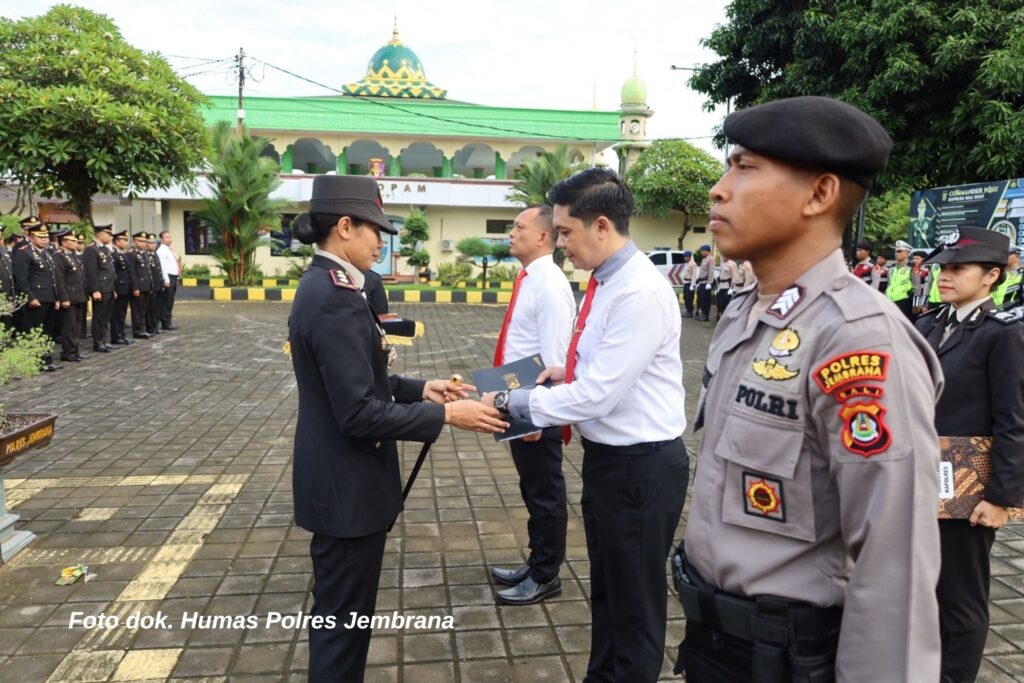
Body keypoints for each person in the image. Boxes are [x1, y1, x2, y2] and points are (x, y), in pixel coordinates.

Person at [676, 96, 943, 682]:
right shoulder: (745, 312)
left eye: (744, 167)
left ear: (819, 194)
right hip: (714, 643)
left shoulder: (858, 338)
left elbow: (895, 558)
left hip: (788, 657)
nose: (719, 189)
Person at [287, 175, 508, 682]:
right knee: (342, 627)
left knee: (342, 618)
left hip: (339, 486)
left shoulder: (330, 284)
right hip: (347, 492)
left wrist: (421, 388)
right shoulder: (335, 295)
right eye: (375, 232)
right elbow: (358, 413)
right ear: (345, 227)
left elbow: (360, 379)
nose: (381, 244)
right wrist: (447, 415)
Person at [483, 167, 688, 682]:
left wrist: (514, 403)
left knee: (634, 606)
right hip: (610, 464)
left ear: (601, 226)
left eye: (566, 233)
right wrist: (561, 372)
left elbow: (598, 394)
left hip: (640, 469)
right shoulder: (606, 282)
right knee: (609, 594)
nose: (561, 244)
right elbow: (597, 369)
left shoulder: (637, 291)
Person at [913, 226, 1024, 682]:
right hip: (919, 478)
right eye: (943, 267)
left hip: (965, 487)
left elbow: (1014, 421)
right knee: (920, 589)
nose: (945, 275)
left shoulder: (1004, 334)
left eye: (959, 268)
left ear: (991, 275)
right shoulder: (929, 324)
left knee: (960, 599)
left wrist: (1001, 499)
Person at [489, 205, 575, 606]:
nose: (511, 233)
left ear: (543, 237)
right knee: (531, 487)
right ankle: (536, 560)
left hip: (536, 406)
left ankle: (546, 574)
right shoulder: (530, 278)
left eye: (519, 227)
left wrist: (536, 416)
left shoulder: (550, 285)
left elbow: (555, 360)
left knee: (544, 492)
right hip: (520, 398)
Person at [12, 218, 62, 371]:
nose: (45, 240)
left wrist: (57, 297)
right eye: (41, 237)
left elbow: (53, 278)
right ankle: (34, 361)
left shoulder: (45, 253)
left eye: (46, 237)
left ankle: (46, 360)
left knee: (47, 331)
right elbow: (22, 279)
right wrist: (30, 297)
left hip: (50, 298)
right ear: (31, 237)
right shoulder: (24, 252)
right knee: (34, 331)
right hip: (37, 299)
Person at [83, 224, 117, 353]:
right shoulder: (91, 249)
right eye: (109, 234)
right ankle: (98, 342)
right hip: (100, 289)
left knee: (106, 316)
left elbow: (109, 270)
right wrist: (95, 290)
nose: (111, 237)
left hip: (109, 287)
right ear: (101, 235)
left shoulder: (104, 249)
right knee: (99, 316)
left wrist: (113, 288)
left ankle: (104, 339)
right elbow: (91, 272)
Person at [55, 232, 88, 362]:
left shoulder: (72, 255)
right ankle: (68, 352)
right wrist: (64, 298)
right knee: (69, 326)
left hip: (78, 295)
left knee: (77, 326)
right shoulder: (59, 256)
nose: (76, 243)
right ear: (64, 242)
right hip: (69, 296)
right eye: (72, 241)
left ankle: (75, 350)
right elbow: (60, 279)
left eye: (76, 241)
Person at [127, 232, 153, 339]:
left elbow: (148, 272)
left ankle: (142, 329)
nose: (143, 243)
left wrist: (151, 286)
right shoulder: (131, 254)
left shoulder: (144, 253)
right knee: (137, 311)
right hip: (138, 287)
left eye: (145, 241)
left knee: (143, 311)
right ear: (134, 241)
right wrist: (135, 288)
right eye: (140, 241)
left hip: (146, 286)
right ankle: (138, 331)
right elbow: (132, 272)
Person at [110, 230, 134, 345]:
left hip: (125, 288)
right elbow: (112, 273)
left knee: (122, 314)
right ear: (117, 242)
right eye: (123, 240)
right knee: (116, 314)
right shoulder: (113, 254)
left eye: (126, 240)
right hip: (118, 288)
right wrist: (114, 289)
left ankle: (121, 334)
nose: (126, 242)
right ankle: (116, 337)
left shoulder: (121, 254)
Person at [155, 230, 180, 330]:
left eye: (170, 237)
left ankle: (168, 320)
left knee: (170, 301)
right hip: (168, 277)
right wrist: (166, 280)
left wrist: (177, 278)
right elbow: (163, 267)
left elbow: (174, 265)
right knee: (166, 302)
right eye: (166, 237)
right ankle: (165, 323)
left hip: (173, 277)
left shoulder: (169, 250)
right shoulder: (161, 251)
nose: (169, 239)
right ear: (161, 239)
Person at [886, 239, 914, 319]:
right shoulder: (892, 268)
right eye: (895, 251)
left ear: (907, 253)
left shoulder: (911, 268)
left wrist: (915, 305)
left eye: (899, 251)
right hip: (890, 302)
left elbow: (917, 288)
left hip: (904, 302)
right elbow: (889, 285)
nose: (896, 253)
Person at [145, 235, 166, 335]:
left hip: (158, 285)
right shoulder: (146, 255)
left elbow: (159, 271)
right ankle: (150, 327)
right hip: (151, 286)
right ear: (146, 244)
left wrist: (161, 283)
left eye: (154, 243)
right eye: (150, 243)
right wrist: (151, 286)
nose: (153, 245)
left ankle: (155, 326)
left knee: (157, 308)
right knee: (150, 308)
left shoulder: (155, 254)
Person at [695, 244, 714, 321]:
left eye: (703, 251)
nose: (701, 252)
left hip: (706, 282)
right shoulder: (704, 259)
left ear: (707, 251)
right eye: (701, 251)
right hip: (702, 282)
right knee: (701, 300)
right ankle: (702, 314)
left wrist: (709, 283)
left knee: (706, 300)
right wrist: (699, 282)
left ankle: (705, 315)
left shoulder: (710, 259)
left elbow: (711, 271)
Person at [717, 255, 736, 320]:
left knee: (726, 302)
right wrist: (719, 286)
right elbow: (720, 276)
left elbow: (734, 276)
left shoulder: (732, 264)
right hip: (721, 286)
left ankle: (726, 318)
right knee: (721, 302)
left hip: (728, 286)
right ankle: (721, 316)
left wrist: (731, 288)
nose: (724, 257)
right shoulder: (722, 264)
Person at [680, 250, 696, 318]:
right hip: (686, 283)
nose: (685, 258)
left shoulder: (693, 264)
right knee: (685, 297)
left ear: (689, 257)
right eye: (684, 257)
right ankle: (688, 311)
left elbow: (694, 275)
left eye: (686, 257)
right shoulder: (687, 264)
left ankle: (690, 312)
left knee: (689, 298)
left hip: (690, 283)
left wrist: (692, 285)